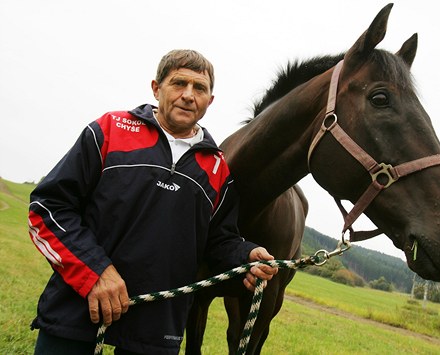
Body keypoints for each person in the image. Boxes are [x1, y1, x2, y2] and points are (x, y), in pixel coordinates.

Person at [28, 49, 278, 355]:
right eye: (178, 83)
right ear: (156, 88)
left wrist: (245, 256)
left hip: (156, 328)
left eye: (199, 88)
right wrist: (95, 274)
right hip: (77, 310)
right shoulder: (109, 130)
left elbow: (218, 240)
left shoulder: (217, 169)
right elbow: (48, 209)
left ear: (210, 101)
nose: (189, 95)